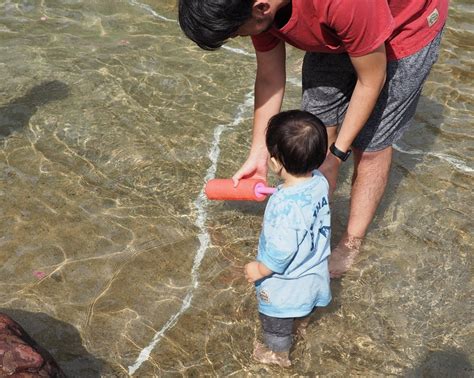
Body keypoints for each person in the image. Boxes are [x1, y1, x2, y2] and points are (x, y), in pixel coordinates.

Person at [178, 0, 448, 278]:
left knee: (370, 145)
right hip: (343, 20)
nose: (239, 37)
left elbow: (372, 79)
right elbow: (270, 78)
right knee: (313, 129)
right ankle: (314, 219)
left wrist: (337, 153)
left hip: (404, 23)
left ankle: (351, 242)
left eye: (237, 33)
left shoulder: (340, 3)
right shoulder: (248, 8)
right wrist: (258, 152)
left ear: (260, 10)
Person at [243, 110, 331, 367]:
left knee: (276, 329)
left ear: (274, 162)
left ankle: (277, 356)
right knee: (302, 314)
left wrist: (259, 269)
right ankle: (301, 327)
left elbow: (281, 250)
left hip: (285, 288)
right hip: (314, 276)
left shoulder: (283, 205)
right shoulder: (320, 181)